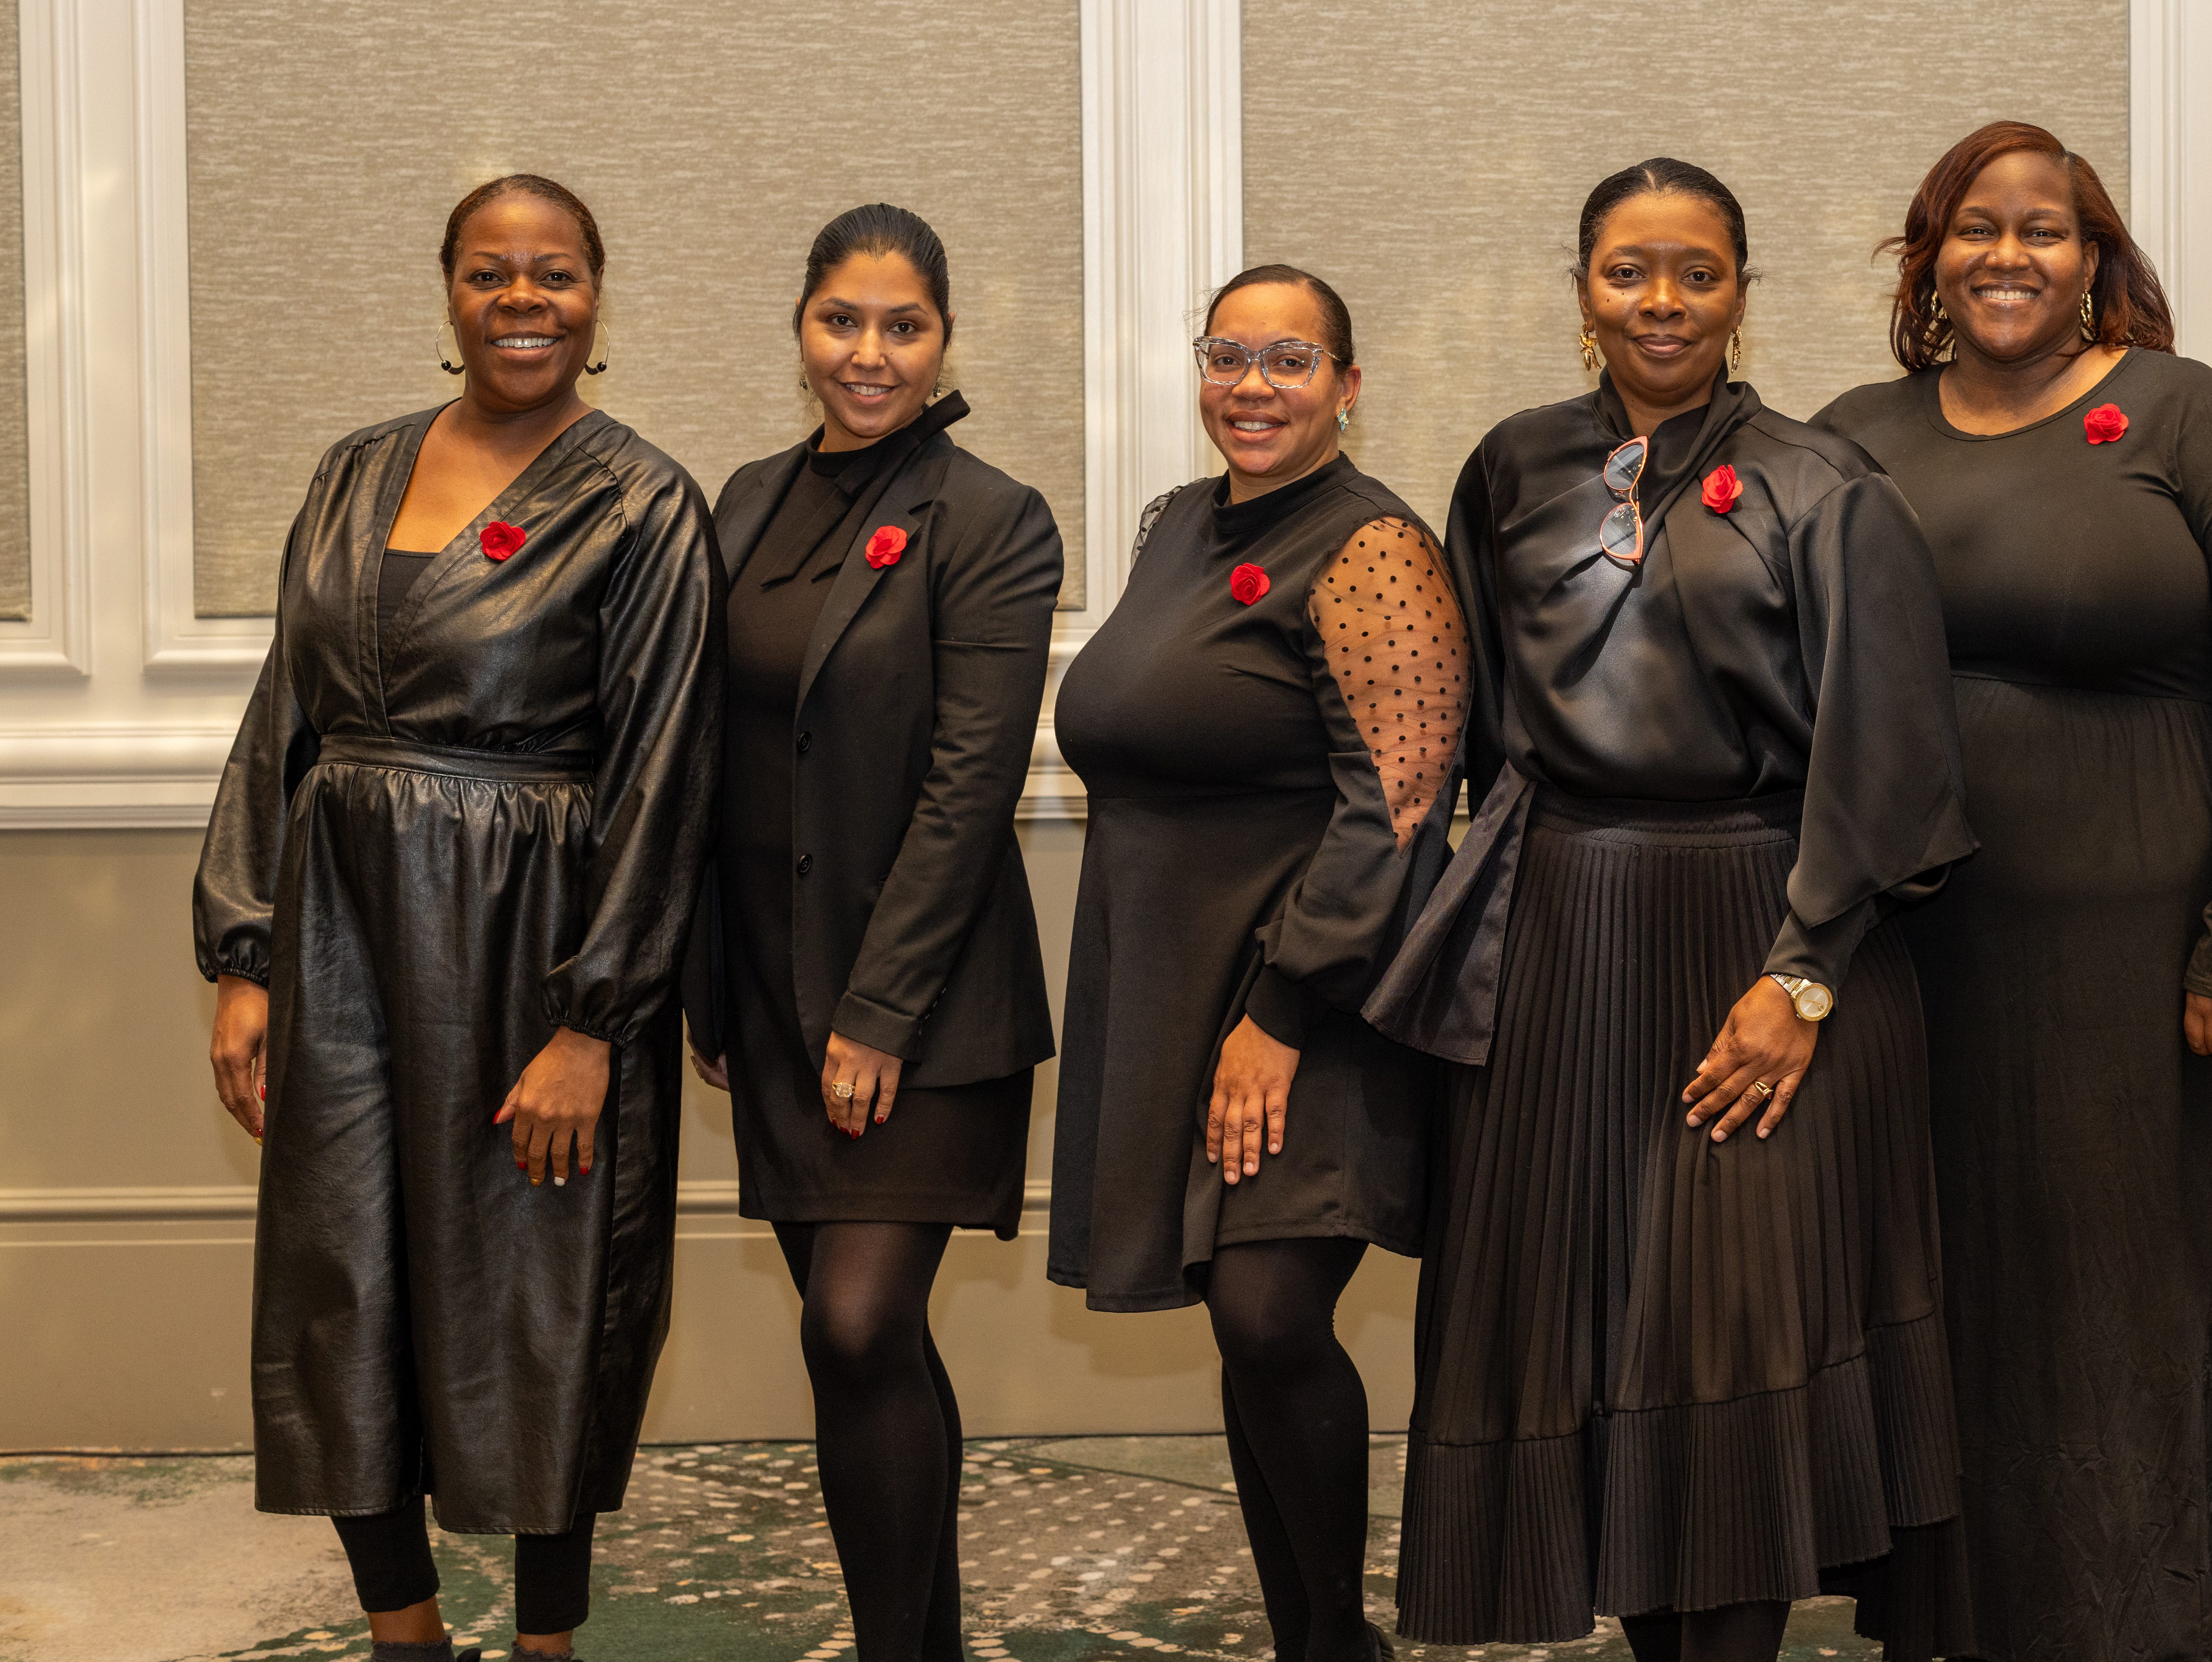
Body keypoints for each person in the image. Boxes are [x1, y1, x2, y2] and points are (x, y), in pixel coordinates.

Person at [1368, 160, 1976, 1662]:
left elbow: (1888, 757)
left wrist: (1805, 979)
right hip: (1567, 937)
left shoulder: (1823, 483)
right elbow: (1481, 727)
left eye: (1696, 273)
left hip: (1764, 938)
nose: (1662, 302)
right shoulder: (1512, 469)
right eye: (1629, 271)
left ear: (1743, 294)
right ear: (1581, 288)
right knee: (1593, 1351)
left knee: (1725, 1341)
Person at [1813, 120, 2212, 1658]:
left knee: (2120, 1311)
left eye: (2043, 229)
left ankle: (2121, 1624)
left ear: (2094, 259)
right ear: (1927, 257)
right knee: (1933, 1290)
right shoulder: (1853, 433)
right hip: (1914, 957)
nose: (2007, 255)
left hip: (2140, 954)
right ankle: (1944, 1626)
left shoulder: (2185, 417)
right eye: (1975, 227)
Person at [196, 175, 720, 1662]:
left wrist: (595, 1024)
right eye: (491, 273)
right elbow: (281, 719)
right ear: (448, 293)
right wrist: (245, 958)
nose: (523, 300)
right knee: (339, 1273)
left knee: (544, 1299)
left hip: (533, 943)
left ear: (598, 295)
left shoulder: (642, 501)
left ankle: (546, 1644)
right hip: (340, 931)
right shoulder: (355, 471)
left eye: (554, 273)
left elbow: (666, 773)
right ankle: (403, 1630)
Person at [1047, 263, 1463, 1662]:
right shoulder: (1177, 524)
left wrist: (1280, 1010)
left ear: (1348, 385)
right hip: (1168, 979)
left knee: (1273, 1305)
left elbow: (1400, 808)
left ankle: (1341, 1637)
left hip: (1311, 990)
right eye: (1231, 357)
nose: (1255, 387)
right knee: (1246, 1318)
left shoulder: (1374, 548)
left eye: (1293, 362)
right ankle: (1312, 1639)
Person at [684, 206, 1063, 1662]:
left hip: (923, 1006)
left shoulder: (994, 516)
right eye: (844, 320)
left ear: (944, 339)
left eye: (903, 326)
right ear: (801, 327)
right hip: (774, 1003)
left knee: (852, 1328)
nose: (871, 353)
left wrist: (879, 1010)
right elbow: (715, 754)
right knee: (875, 1349)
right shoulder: (748, 499)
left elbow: (973, 785)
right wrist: (715, 987)